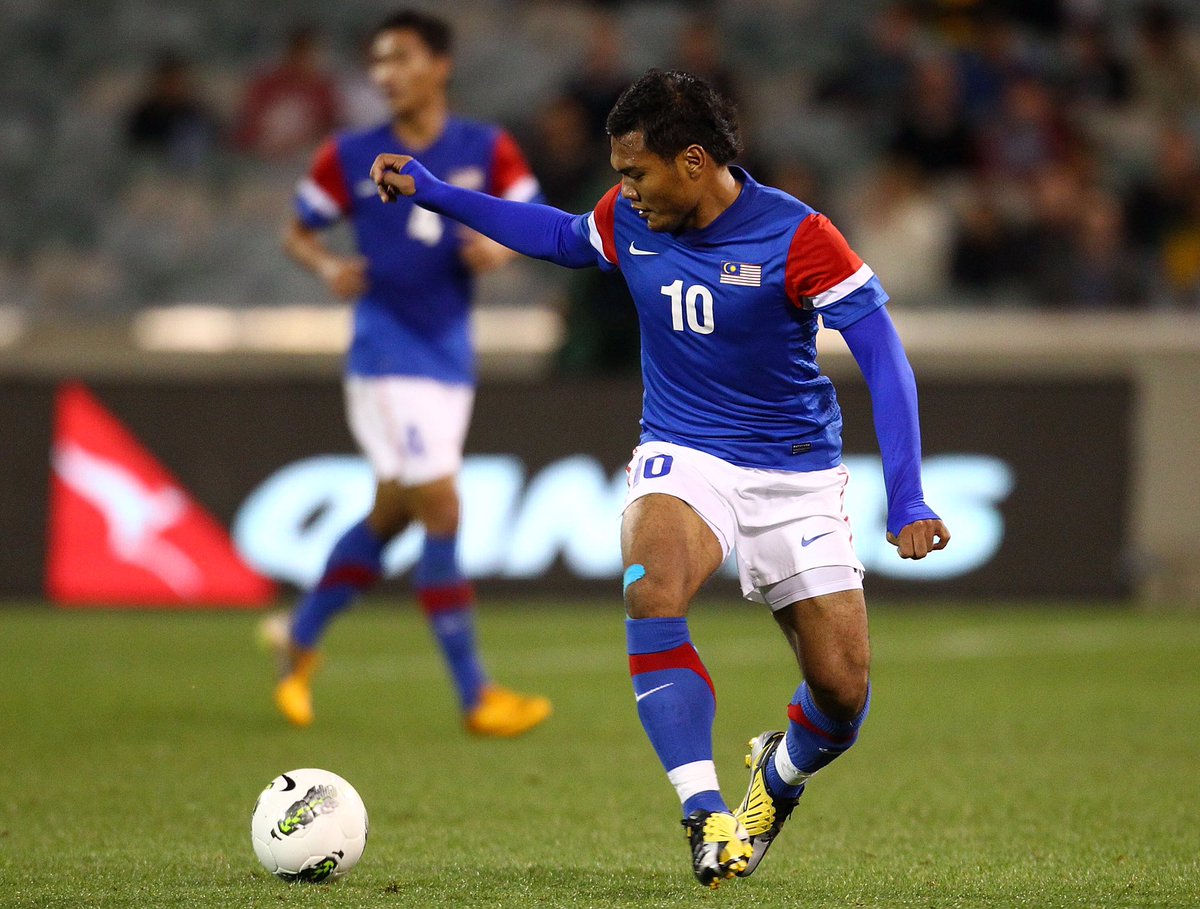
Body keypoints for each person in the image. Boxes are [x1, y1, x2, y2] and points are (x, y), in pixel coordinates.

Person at [370, 69, 950, 887]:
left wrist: (910, 491)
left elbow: (884, 358)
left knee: (842, 692)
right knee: (653, 583)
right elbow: (558, 235)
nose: (624, 191)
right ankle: (702, 807)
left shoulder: (798, 235)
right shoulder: (629, 221)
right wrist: (435, 193)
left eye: (635, 173)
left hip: (795, 473)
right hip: (685, 452)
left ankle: (775, 777)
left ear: (691, 161)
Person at [268, 10, 552, 738]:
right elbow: (298, 230)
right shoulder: (352, 153)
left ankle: (299, 640)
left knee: (395, 510)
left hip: (450, 354)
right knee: (442, 508)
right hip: (385, 353)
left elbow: (533, 216)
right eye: (377, 63)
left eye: (400, 58)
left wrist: (503, 251)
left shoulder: (484, 147)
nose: (384, 74)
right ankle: (475, 694)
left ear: (440, 66)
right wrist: (329, 264)